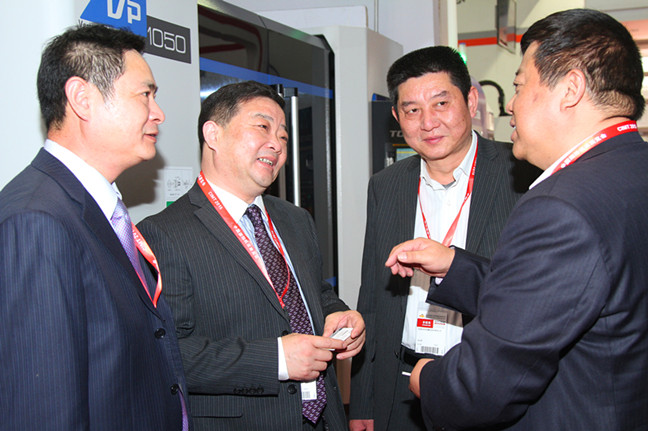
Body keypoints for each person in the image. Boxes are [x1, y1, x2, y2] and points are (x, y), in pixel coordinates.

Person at [386, 8, 648, 431]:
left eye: (520, 86)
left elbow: (482, 388)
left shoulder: (560, 206)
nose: (510, 105)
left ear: (570, 89)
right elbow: (562, 295)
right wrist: (455, 266)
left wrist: (428, 379)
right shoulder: (631, 169)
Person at [137, 80, 365, 430]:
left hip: (326, 417)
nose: (277, 144)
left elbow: (315, 293)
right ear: (213, 134)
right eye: (262, 127)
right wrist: (277, 360)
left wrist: (339, 313)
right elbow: (170, 352)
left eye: (283, 136)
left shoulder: (295, 219)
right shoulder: (164, 233)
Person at [0, 24, 189, 430]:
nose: (158, 113)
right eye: (145, 95)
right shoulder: (37, 220)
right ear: (82, 99)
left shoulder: (98, 208)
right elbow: (43, 408)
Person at [348, 46, 539, 431]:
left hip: (482, 385)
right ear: (396, 116)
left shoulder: (522, 174)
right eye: (412, 110)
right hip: (401, 385)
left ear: (470, 101)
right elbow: (372, 296)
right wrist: (363, 401)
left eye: (441, 103)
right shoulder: (386, 185)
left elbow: (534, 294)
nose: (428, 122)